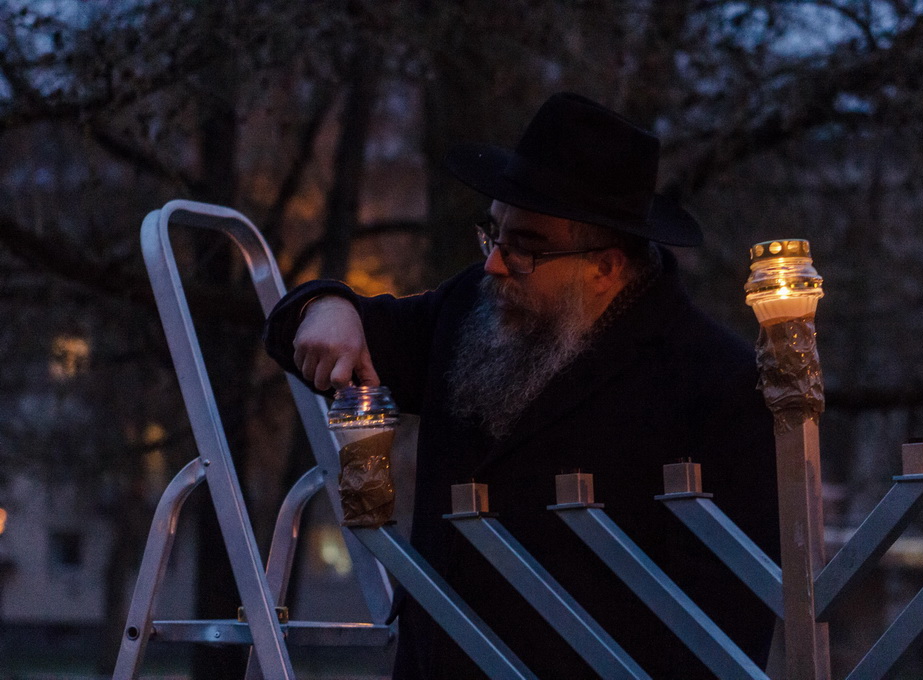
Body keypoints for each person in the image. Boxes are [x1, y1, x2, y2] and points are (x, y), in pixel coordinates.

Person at [264, 92, 779, 679]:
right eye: (494, 234)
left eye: (527, 247)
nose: (495, 265)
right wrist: (326, 304)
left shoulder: (717, 384)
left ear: (608, 266)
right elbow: (306, 335)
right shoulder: (471, 308)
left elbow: (727, 626)